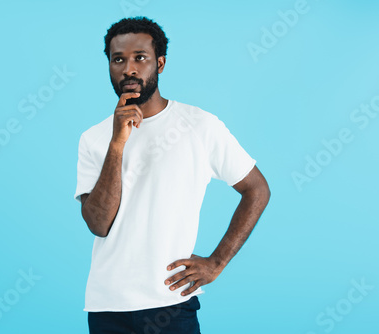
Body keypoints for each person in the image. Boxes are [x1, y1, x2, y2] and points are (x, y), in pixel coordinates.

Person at [74, 16, 270, 334]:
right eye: (118, 59)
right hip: (107, 307)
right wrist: (117, 143)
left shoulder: (199, 125)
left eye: (140, 58)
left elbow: (257, 189)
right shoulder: (94, 138)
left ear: (160, 63)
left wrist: (217, 262)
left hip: (171, 303)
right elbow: (98, 224)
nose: (129, 69)